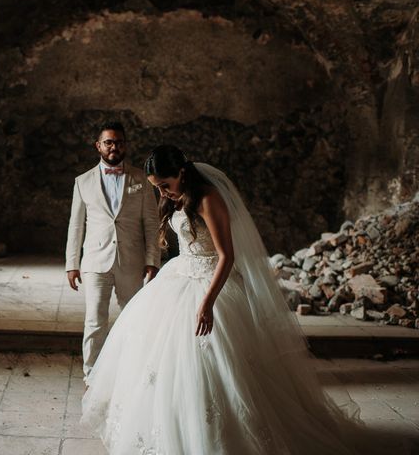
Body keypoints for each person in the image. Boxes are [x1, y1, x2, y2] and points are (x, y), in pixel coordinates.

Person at [81, 145, 382, 454]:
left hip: (211, 283)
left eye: (165, 186)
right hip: (179, 277)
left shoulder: (209, 198)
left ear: (181, 173)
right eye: (158, 188)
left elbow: (226, 256)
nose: (164, 194)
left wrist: (207, 303)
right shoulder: (174, 196)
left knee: (215, 363)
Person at [65, 122, 161, 382]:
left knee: (134, 319)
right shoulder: (82, 182)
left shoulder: (141, 179)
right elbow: (76, 224)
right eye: (108, 142)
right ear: (99, 146)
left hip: (132, 260)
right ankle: (91, 376)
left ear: (125, 145)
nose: (114, 147)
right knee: (95, 321)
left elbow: (151, 223)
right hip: (96, 261)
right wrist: (71, 263)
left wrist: (153, 260)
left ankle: (133, 374)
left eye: (118, 142)